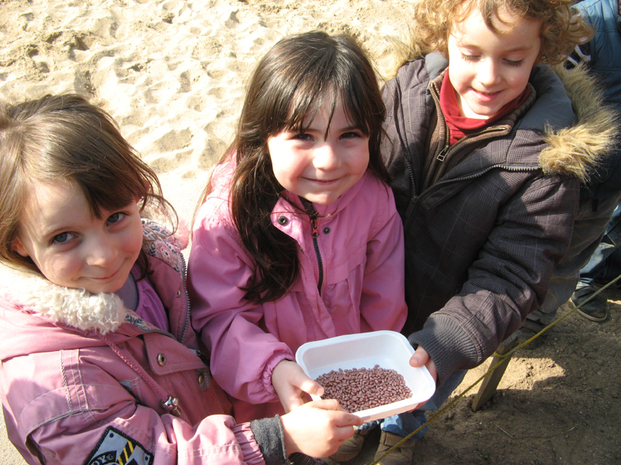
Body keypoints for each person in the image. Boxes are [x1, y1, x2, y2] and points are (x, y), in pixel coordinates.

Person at [0, 93, 364, 465]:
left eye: (116, 218)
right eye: (63, 237)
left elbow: (207, 329)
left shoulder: (155, 266)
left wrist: (271, 368)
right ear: (17, 241)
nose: (104, 256)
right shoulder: (58, 389)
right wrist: (279, 437)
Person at [372, 0, 617, 463]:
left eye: (512, 60)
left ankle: (402, 429)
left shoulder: (546, 162)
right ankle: (362, 418)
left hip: (444, 315)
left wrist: (453, 337)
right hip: (369, 297)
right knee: (363, 373)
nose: (488, 77)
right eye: (470, 53)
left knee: (420, 387)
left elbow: (514, 274)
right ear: (443, 34)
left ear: (543, 52)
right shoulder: (403, 89)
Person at [186, 30, 407, 433]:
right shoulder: (227, 218)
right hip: (266, 396)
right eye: (303, 136)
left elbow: (384, 298)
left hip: (346, 384)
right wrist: (272, 369)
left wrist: (375, 365)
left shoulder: (374, 199)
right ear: (263, 135)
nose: (327, 161)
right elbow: (219, 320)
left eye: (349, 135)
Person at [564, 0, 621, 323]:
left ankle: (537, 319)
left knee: (581, 250)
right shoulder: (586, 25)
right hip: (569, 176)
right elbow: (555, 92)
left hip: (612, 185)